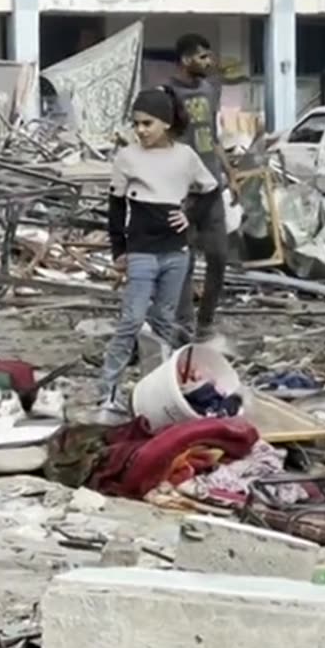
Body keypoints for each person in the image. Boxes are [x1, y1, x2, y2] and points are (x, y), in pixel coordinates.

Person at [100, 88, 218, 414]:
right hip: (141, 251)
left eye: (147, 123)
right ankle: (107, 392)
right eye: (136, 124)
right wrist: (118, 251)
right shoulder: (127, 158)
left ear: (165, 123)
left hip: (176, 253)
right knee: (131, 320)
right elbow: (115, 207)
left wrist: (189, 215)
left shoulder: (185, 157)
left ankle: (154, 392)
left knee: (165, 322)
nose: (140, 130)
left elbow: (210, 189)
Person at [168, 33, 233, 343]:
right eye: (203, 57)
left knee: (219, 256)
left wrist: (229, 170)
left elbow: (213, 136)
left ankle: (206, 321)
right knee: (185, 259)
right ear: (186, 60)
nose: (209, 62)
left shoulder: (210, 90)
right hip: (183, 192)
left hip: (212, 188)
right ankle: (183, 324)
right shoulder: (167, 94)